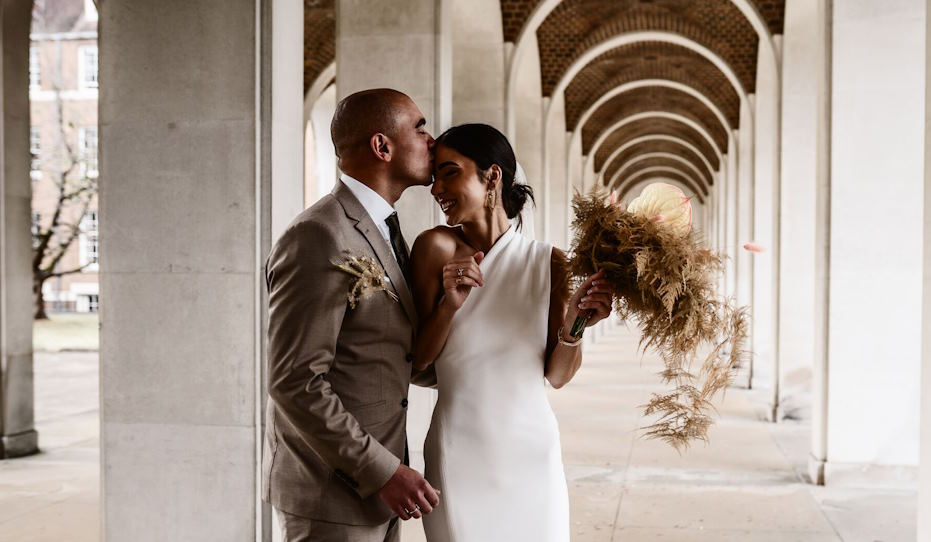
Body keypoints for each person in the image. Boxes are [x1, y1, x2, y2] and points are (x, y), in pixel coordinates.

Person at [409, 123, 615, 541]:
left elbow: (555, 375)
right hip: (459, 451)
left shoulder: (550, 262)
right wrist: (450, 304)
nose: (436, 189)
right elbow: (417, 363)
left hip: (532, 454)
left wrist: (576, 321)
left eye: (450, 172)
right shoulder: (434, 249)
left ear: (492, 176)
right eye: (434, 178)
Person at [262, 88, 440, 542]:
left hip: (378, 494)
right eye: (420, 129)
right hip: (331, 495)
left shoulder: (387, 231)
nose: (432, 140)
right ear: (382, 147)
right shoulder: (319, 234)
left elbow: (392, 354)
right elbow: (295, 380)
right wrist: (382, 471)